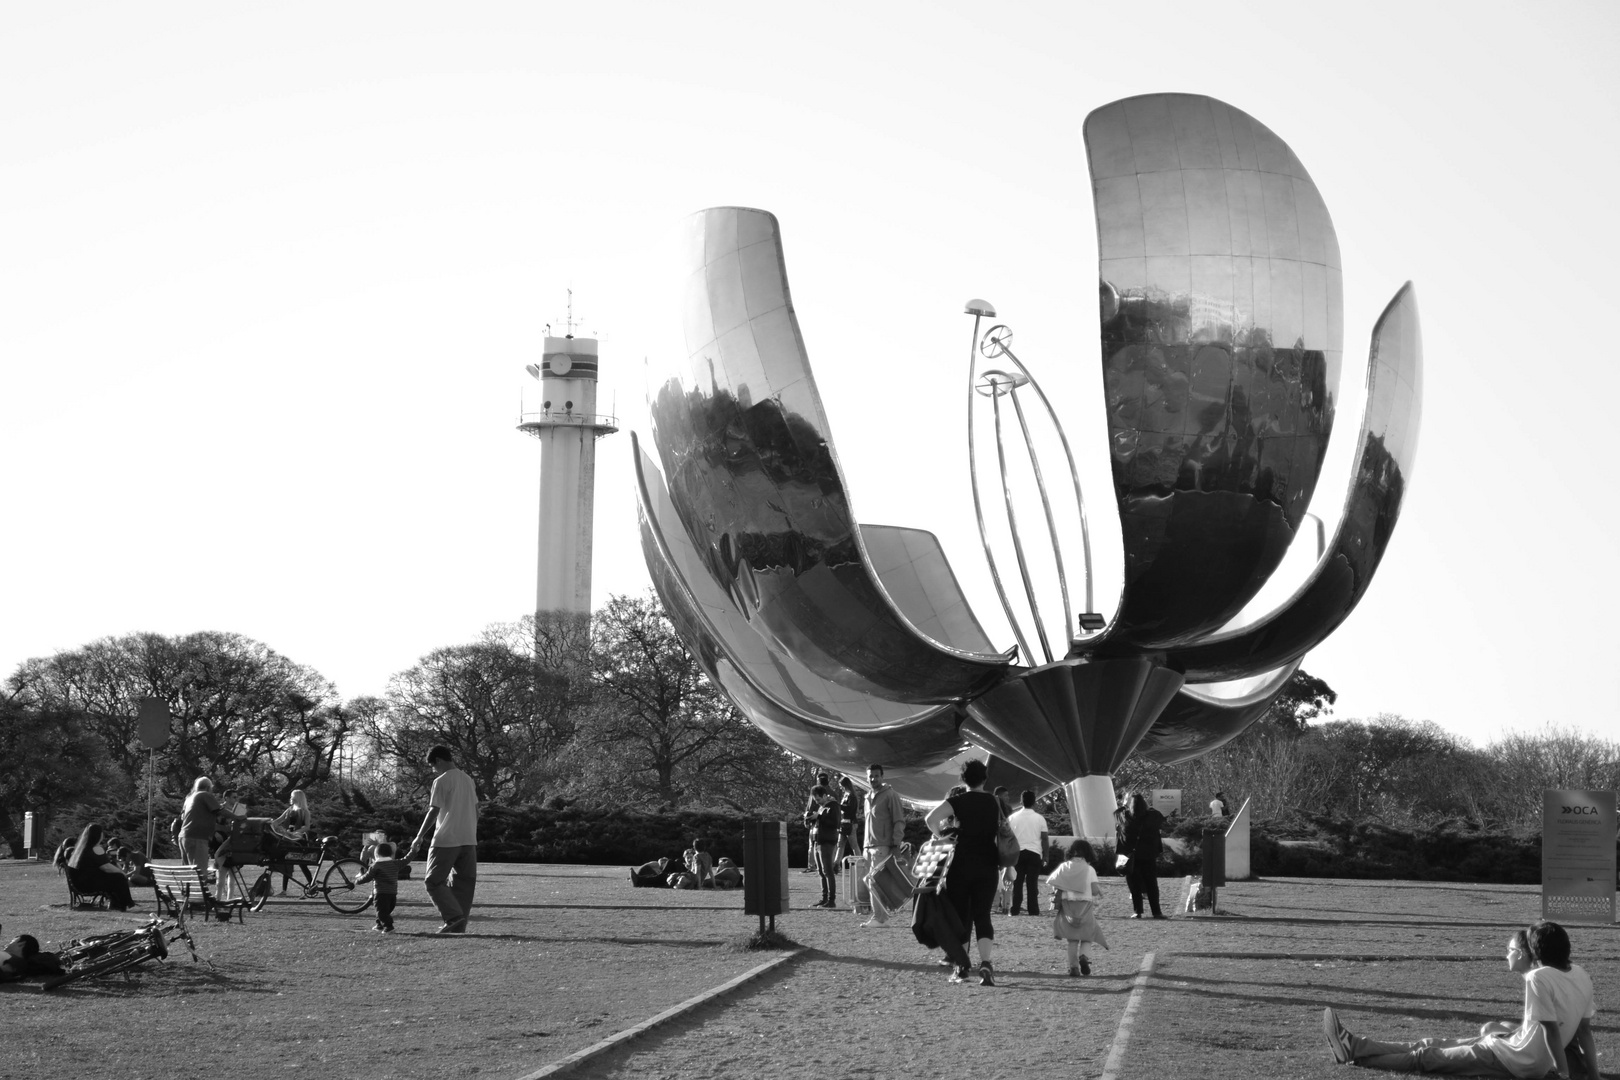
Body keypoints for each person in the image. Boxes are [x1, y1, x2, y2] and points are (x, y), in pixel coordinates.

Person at [1322, 920, 1599, 1079]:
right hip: (1507, 1048)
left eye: (1512, 949)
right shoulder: (1580, 973)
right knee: (1429, 1044)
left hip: (1510, 1060)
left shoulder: (1538, 978)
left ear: (1534, 953)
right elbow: (1583, 1031)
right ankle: (1355, 1046)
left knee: (1426, 1058)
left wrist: (1562, 1074)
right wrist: (1594, 1076)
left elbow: (1551, 1030)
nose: (1508, 953)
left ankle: (1356, 1056)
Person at [924, 758, 1002, 986]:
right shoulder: (995, 802)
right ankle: (986, 963)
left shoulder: (957, 801)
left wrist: (942, 836)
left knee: (961, 917)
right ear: (985, 778)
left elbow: (930, 819)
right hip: (988, 865)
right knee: (983, 915)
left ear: (963, 779)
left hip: (961, 865)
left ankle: (962, 966)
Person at [408, 744, 479, 934]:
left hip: (447, 839)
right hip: (469, 839)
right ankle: (459, 925)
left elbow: (434, 810)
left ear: (438, 760)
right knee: (464, 883)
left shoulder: (441, 781)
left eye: (433, 766)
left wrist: (419, 836)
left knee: (433, 881)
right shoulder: (468, 780)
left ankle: (453, 918)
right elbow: (476, 810)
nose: (433, 770)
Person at [1047, 839, 1108, 976]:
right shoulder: (1089, 869)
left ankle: (1073, 967)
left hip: (1068, 904)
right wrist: (1099, 891)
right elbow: (1093, 890)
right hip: (1085, 905)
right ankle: (1084, 957)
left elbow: (1052, 882)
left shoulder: (1064, 866)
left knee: (1072, 939)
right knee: (1088, 935)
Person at [859, 763, 906, 927]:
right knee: (873, 882)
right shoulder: (867, 797)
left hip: (883, 846)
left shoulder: (890, 795)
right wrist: (865, 846)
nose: (873, 779)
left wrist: (895, 845)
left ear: (882, 776)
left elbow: (899, 821)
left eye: (876, 775)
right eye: (870, 776)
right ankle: (880, 916)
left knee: (874, 882)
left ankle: (880, 919)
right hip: (869, 847)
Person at [67, 824, 136, 911]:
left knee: (114, 878)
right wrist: (121, 872)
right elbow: (106, 867)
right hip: (89, 885)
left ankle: (115, 903)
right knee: (119, 878)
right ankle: (121, 904)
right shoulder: (96, 849)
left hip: (78, 884)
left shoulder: (81, 849)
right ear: (98, 835)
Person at [1121, 792, 1166, 919]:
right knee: (1151, 883)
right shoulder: (1153, 815)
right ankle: (1156, 912)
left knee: (1134, 884)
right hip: (1149, 854)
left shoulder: (1126, 816)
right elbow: (1162, 822)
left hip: (1132, 855)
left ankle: (1138, 911)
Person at [1007, 790, 1048, 917]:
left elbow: (1008, 837)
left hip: (1017, 853)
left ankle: (1015, 909)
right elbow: (1044, 838)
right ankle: (1033, 910)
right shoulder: (1039, 818)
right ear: (1034, 802)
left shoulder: (1012, 817)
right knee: (1032, 883)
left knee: (1017, 882)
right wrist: (1046, 855)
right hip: (1034, 853)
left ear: (1021, 801)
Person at [355, 841, 409, 933]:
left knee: (381, 912)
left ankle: (389, 927)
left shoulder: (376, 865)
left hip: (380, 893)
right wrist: (414, 851)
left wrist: (357, 881)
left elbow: (367, 877)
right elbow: (407, 859)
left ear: (376, 855)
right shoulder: (395, 863)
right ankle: (379, 925)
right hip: (392, 894)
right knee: (385, 911)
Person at [271, 789, 313, 895]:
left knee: (302, 865)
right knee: (287, 864)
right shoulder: (289, 810)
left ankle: (312, 886)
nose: (291, 798)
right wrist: (269, 824)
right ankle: (284, 890)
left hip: (299, 841)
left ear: (297, 798)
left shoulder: (304, 812)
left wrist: (295, 832)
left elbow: (307, 827)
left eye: (292, 796)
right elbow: (278, 820)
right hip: (288, 839)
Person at [178, 777, 223, 875]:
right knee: (200, 873)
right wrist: (237, 817)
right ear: (208, 787)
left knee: (188, 872)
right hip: (197, 837)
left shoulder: (189, 797)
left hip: (183, 836)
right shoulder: (205, 795)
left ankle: (187, 891)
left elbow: (183, 817)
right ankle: (198, 891)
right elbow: (220, 811)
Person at [834, 776, 862, 864]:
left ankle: (860, 864)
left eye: (841, 786)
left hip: (851, 823)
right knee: (840, 844)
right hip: (844, 823)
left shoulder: (852, 796)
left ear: (844, 785)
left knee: (854, 845)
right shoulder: (846, 795)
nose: (840, 788)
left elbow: (850, 809)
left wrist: (838, 805)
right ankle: (836, 864)